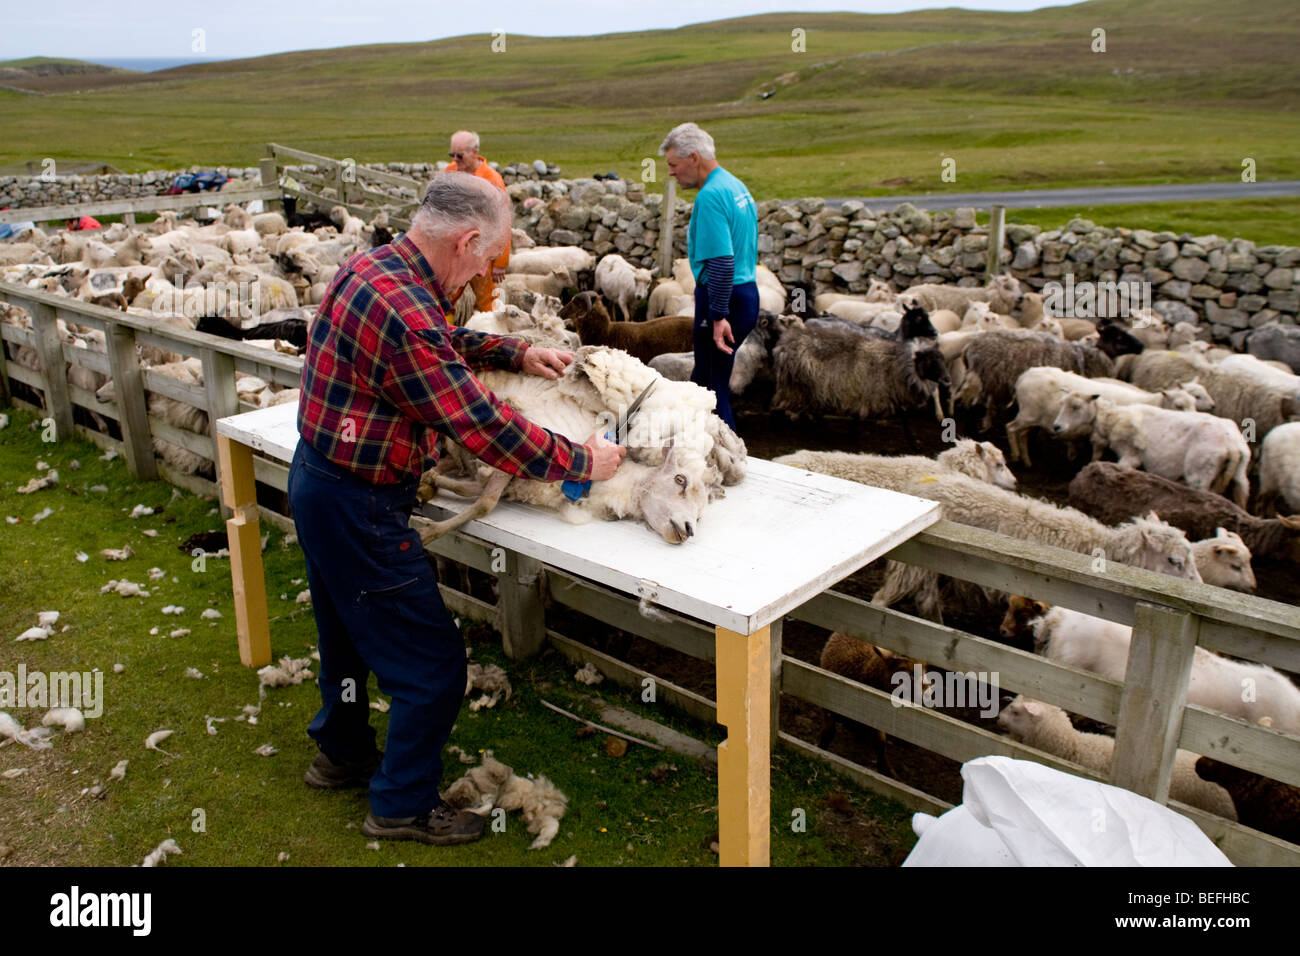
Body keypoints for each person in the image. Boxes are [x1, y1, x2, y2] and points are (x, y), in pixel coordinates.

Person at [288, 172, 625, 845]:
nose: (485, 276)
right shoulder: (408, 311)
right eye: (487, 261)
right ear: (467, 239)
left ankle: (341, 751)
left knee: (347, 637)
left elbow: (437, 346)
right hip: (361, 503)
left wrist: (515, 349)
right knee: (433, 667)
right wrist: (585, 462)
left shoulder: (378, 268)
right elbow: (483, 427)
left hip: (320, 482)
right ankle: (402, 806)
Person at [659, 122, 758, 430]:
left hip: (725, 298)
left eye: (674, 165)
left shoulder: (711, 196)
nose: (672, 173)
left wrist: (717, 314)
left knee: (711, 389)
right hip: (744, 292)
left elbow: (721, 261)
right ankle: (697, 449)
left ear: (694, 158)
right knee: (704, 377)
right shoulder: (734, 185)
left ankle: (726, 457)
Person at [444, 130, 510, 312]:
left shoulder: (492, 179)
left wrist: (500, 262)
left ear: (475, 152)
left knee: (488, 300)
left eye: (459, 155)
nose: (455, 160)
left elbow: (503, 220)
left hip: (483, 252)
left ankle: (490, 336)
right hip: (455, 250)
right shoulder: (449, 173)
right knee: (444, 298)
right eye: (452, 155)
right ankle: (442, 336)